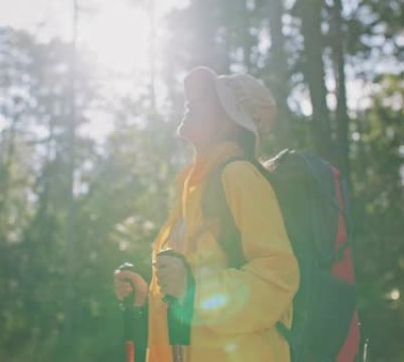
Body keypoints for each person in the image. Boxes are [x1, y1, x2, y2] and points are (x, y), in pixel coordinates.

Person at [114, 66, 299, 362]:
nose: (190, 102)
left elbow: (277, 277)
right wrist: (143, 298)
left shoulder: (238, 175)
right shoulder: (192, 190)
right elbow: (182, 305)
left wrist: (194, 288)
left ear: (230, 121)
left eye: (206, 98)